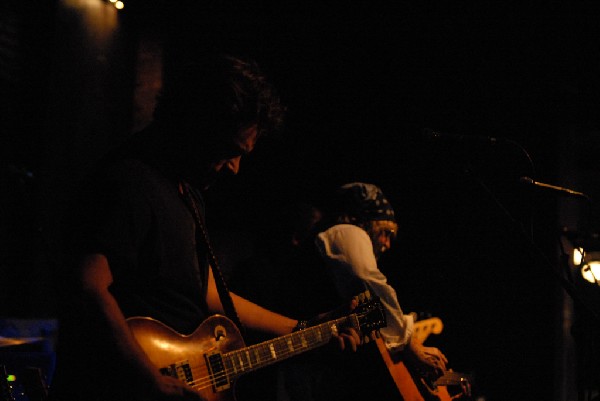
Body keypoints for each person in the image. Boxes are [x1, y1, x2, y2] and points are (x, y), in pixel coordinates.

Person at [48, 54, 362, 401]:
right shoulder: (128, 181)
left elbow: (203, 289)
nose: (235, 168)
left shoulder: (186, 193)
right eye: (230, 150)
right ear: (196, 123)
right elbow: (86, 286)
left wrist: (302, 329)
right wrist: (149, 378)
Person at [316, 182, 449, 375]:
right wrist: (408, 341)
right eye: (385, 233)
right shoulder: (348, 232)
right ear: (368, 223)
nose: (387, 244)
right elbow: (367, 279)